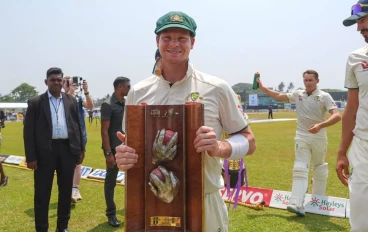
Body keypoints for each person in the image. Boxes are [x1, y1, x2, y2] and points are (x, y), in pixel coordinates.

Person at [114, 11, 256, 232]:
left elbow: (249, 140)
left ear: (192, 42)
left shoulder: (216, 88)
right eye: (167, 37)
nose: (174, 44)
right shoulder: (139, 92)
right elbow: (129, 146)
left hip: (204, 197)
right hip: (150, 199)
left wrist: (220, 147)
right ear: (157, 41)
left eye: (182, 38)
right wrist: (123, 155)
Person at [257, 70, 341, 216]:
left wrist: (320, 125)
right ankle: (296, 203)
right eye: (305, 80)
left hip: (319, 137)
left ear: (317, 81)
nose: (307, 83)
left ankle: (318, 199)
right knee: (300, 167)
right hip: (301, 136)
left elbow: (337, 115)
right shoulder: (298, 94)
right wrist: (263, 88)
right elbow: (278, 95)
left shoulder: (324, 96)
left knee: (319, 166)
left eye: (310, 80)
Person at [23, 67, 85, 232]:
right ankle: (42, 228)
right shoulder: (36, 102)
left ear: (63, 81)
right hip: (45, 153)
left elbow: (77, 126)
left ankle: (62, 227)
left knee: (65, 193)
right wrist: (31, 157)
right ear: (46, 82)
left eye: (59, 80)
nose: (56, 82)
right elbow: (28, 132)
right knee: (42, 193)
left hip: (67, 151)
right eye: (53, 80)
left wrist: (80, 149)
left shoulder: (70, 100)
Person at [338, 1, 368, 230]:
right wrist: (341, 152)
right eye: (358, 22)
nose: (359, 29)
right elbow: (351, 108)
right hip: (363, 146)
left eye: (363, 19)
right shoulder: (355, 58)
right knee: (360, 219)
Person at [100, 77, 130, 227]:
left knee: (133, 181)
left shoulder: (127, 104)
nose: (129, 88)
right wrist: (108, 154)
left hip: (128, 149)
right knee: (110, 183)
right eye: (127, 86)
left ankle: (133, 210)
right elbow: (104, 131)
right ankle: (111, 214)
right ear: (120, 87)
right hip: (113, 150)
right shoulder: (108, 104)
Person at [62, 76, 94, 204]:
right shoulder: (60, 98)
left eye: (73, 83)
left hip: (79, 135)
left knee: (77, 163)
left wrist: (86, 91)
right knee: (65, 164)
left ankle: (75, 190)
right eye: (68, 83)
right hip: (65, 136)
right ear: (63, 85)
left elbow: (90, 106)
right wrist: (70, 91)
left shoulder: (79, 98)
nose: (72, 85)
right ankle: (68, 190)